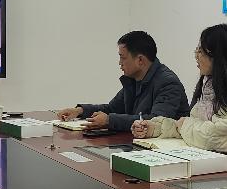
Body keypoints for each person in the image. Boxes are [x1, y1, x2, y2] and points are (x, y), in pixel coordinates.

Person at [132, 24, 227, 165]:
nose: (196, 56)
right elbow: (193, 129)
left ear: (218, 56)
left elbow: (213, 137)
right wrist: (155, 128)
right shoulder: (210, 88)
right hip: (221, 164)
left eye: (201, 51)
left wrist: (184, 124)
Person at [56, 31, 187, 132]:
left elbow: (155, 122)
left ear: (140, 60)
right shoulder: (133, 79)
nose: (120, 63)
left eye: (123, 58)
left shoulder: (168, 83)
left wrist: (109, 121)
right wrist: (80, 111)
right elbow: (112, 108)